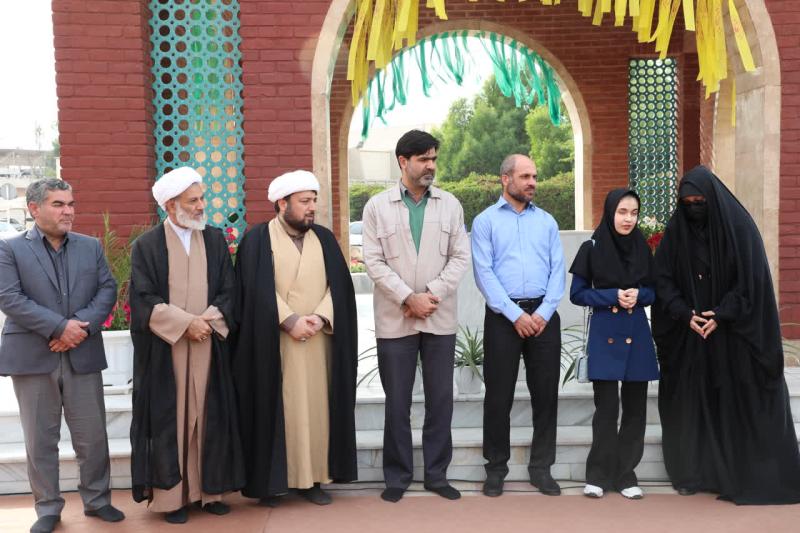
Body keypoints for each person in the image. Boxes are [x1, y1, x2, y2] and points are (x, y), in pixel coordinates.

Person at [653, 165, 800, 504]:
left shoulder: (739, 229)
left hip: (732, 335)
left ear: (712, 199)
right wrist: (684, 313)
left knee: (733, 400)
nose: (693, 208)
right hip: (690, 334)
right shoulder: (677, 231)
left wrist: (721, 314)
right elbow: (662, 279)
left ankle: (735, 473)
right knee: (691, 404)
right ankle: (693, 473)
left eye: (699, 202)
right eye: (687, 203)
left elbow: (750, 281)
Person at [0, 178, 124, 533]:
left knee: (93, 435)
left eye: (70, 204)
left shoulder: (90, 246)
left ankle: (98, 501)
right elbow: (9, 297)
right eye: (58, 204)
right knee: (40, 438)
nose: (68, 211)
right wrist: (59, 328)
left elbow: (107, 289)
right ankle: (48, 507)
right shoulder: (9, 249)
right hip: (32, 357)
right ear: (34, 208)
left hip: (81, 352)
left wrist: (77, 330)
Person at [232, 170, 358, 506]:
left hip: (319, 341)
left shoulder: (325, 239)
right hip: (275, 344)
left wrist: (320, 317)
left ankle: (312, 479)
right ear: (282, 203)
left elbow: (339, 287)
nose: (312, 207)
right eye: (304, 201)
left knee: (316, 412)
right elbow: (252, 289)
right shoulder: (257, 240)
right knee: (278, 410)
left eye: (314, 200)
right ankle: (273, 482)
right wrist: (289, 320)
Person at [129, 167, 244, 523]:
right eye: (193, 200)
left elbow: (229, 289)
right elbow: (143, 298)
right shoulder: (147, 245)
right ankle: (172, 499)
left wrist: (206, 321)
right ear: (170, 205)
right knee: (172, 421)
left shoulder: (214, 239)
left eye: (201, 198)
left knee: (210, 418)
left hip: (208, 342)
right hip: (169, 349)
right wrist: (185, 324)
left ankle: (211, 493)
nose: (201, 206)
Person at [362, 130, 470, 503]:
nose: (430, 166)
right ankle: (397, 476)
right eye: (423, 159)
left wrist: (429, 295)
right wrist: (408, 298)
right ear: (403, 161)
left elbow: (460, 257)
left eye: (433, 158)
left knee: (441, 400)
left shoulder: (450, 205)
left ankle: (437, 475)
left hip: (439, 317)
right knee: (398, 402)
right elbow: (372, 261)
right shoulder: (377, 207)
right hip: (396, 318)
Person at [471, 154, 565, 497]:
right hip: (503, 318)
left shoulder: (547, 222)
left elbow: (558, 270)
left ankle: (542, 469)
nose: (532, 183)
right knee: (498, 397)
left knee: (546, 397)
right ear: (505, 179)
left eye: (534, 176)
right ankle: (496, 469)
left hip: (543, 318)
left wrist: (543, 312)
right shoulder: (485, 222)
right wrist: (515, 315)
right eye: (525, 176)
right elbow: (484, 274)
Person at [568, 189, 659, 499]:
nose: (628, 219)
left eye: (633, 213)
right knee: (606, 409)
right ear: (610, 212)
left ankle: (626, 475)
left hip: (637, 333)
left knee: (635, 411)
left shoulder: (642, 247)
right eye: (622, 212)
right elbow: (577, 294)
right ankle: (598, 475)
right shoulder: (591, 248)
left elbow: (654, 289)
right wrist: (612, 296)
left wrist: (640, 295)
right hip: (605, 333)